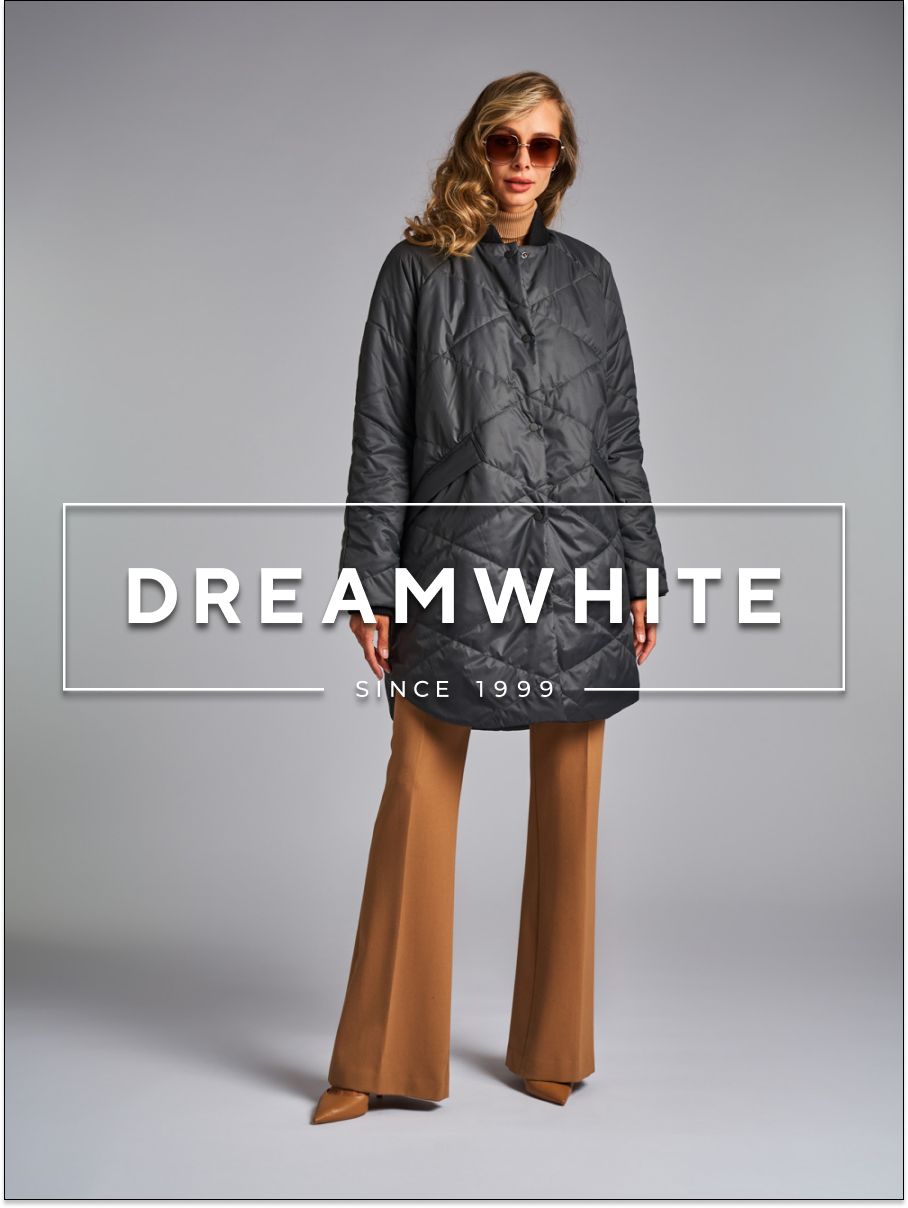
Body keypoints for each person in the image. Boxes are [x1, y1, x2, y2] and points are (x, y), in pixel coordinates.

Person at [314, 70, 669, 1124]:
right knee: (417, 795)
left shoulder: (591, 278)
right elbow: (381, 438)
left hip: (581, 562)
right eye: (503, 142)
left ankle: (554, 1044)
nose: (520, 163)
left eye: (540, 146)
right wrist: (369, 580)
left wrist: (642, 568)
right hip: (453, 564)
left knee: (571, 804)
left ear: (561, 162)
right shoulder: (415, 272)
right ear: (474, 147)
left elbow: (619, 439)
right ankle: (379, 1057)